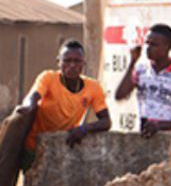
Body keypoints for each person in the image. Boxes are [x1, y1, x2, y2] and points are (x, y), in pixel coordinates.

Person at [16, 40, 111, 168]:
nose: (72, 65)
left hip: (63, 146)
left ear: (83, 64)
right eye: (67, 60)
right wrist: (28, 106)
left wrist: (84, 129)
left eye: (77, 61)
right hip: (34, 145)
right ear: (58, 62)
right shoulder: (48, 78)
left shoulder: (93, 87)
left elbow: (106, 122)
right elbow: (33, 96)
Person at [115, 23, 171, 138]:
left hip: (168, 138)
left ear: (168, 47)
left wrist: (159, 126)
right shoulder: (141, 70)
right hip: (143, 135)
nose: (148, 48)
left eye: (154, 45)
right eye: (147, 43)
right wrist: (132, 63)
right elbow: (120, 95)